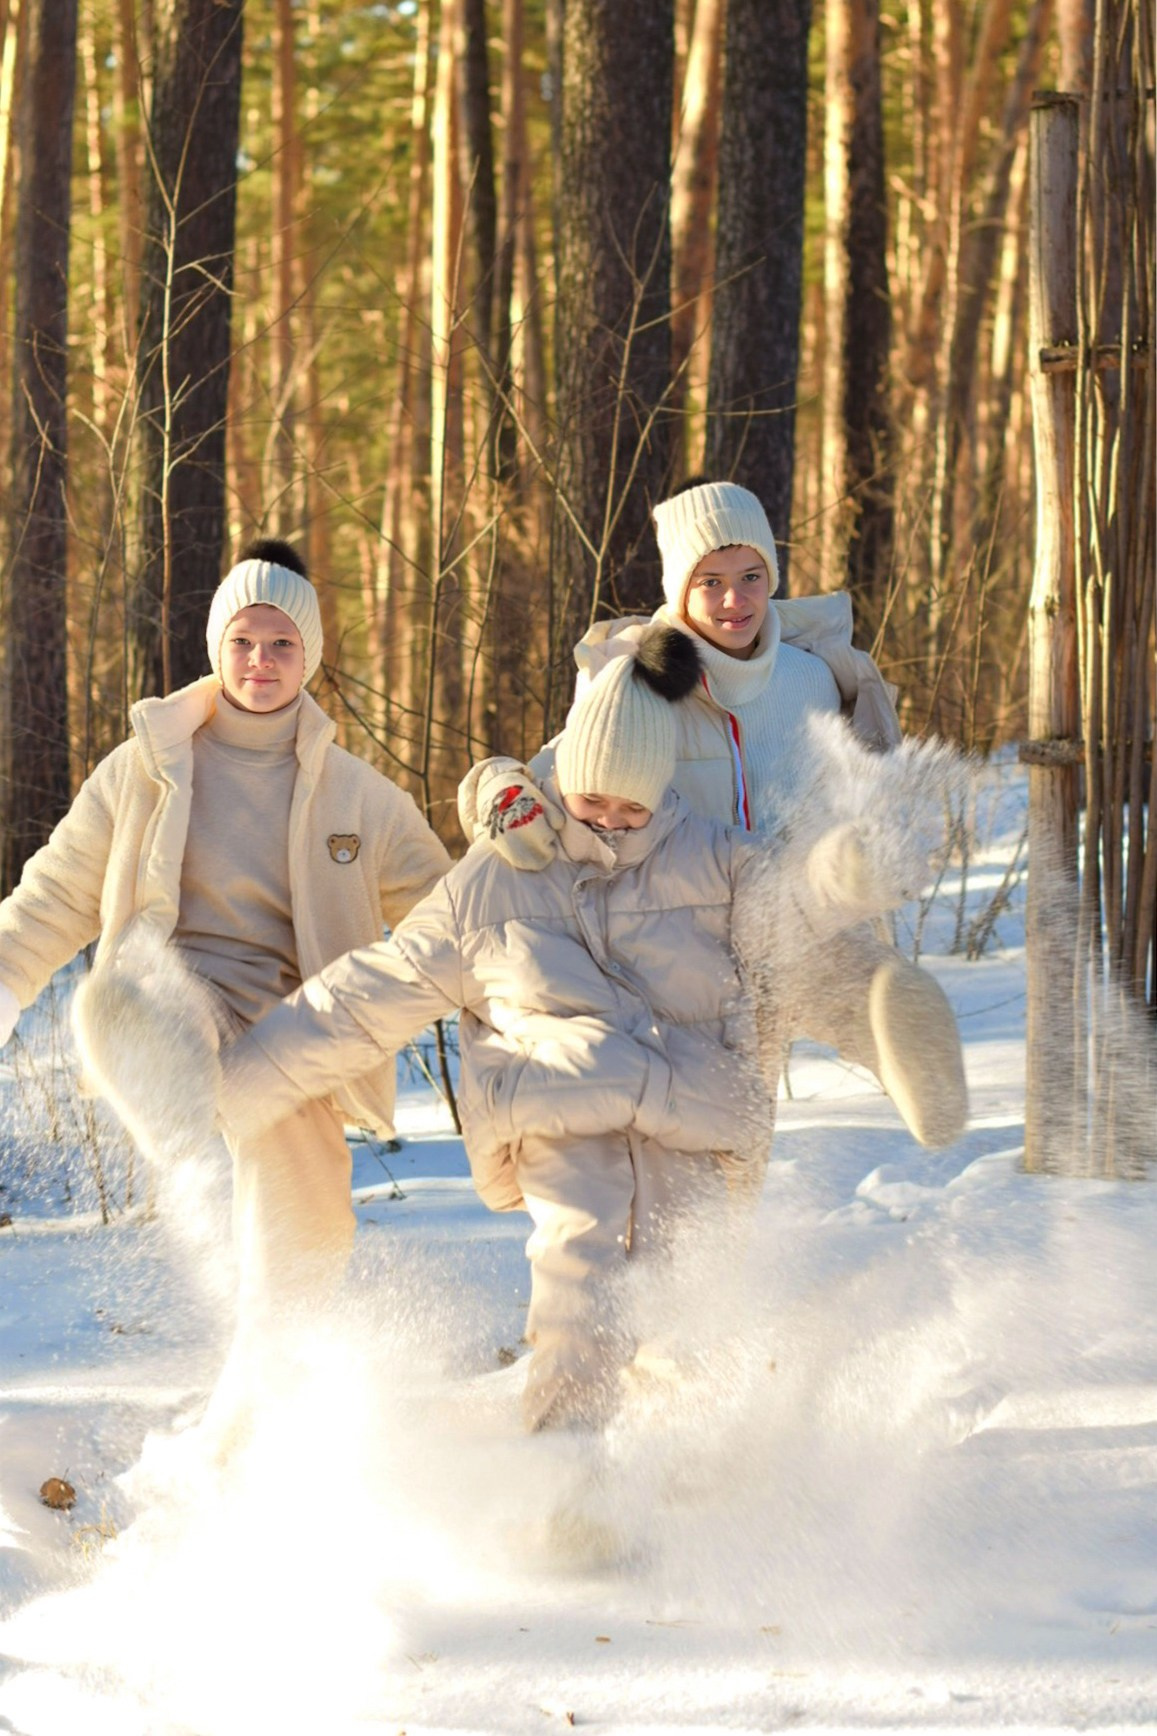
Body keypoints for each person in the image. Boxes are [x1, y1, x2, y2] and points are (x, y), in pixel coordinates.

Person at [217, 625, 918, 1435]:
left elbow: (797, 914)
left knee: (686, 1307)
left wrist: (840, 880)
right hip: (556, 1108)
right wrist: (240, 1081)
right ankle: (566, 1472)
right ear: (563, 780)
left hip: (687, 1113)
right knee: (577, 1286)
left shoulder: (718, 860)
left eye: (633, 805)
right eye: (593, 801)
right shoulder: (496, 879)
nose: (614, 821)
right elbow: (367, 994)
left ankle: (687, 1476)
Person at [0, 539, 450, 1319]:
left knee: (310, 1226)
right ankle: (169, 1108)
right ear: (217, 646)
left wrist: (520, 1002)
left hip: (295, 1024)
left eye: (281, 644)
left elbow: (448, 913)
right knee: (127, 1001)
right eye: (242, 642)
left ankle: (276, 1376)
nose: (260, 661)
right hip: (180, 995)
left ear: (307, 654)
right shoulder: (146, 768)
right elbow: (57, 891)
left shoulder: (360, 797)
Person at [459, 479, 968, 1151]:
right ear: (679, 589)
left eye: (751, 576)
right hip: (684, 947)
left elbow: (850, 790)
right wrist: (499, 791)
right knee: (726, 1149)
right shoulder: (636, 682)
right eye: (711, 582)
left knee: (861, 976)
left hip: (788, 920)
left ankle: (892, 1025)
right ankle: (708, 1250)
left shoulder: (811, 679)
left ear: (771, 575)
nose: (736, 600)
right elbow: (563, 771)